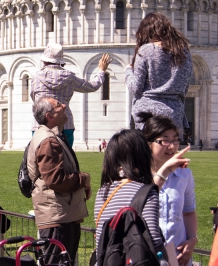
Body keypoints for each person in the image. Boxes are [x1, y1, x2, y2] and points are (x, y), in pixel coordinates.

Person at [94, 129, 190, 263]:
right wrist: (169, 261)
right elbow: (154, 240)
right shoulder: (147, 191)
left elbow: (100, 236)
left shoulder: (103, 192)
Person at [27, 96, 91, 264]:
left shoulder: (51, 136)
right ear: (50, 116)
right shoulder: (48, 141)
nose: (64, 106)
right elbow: (56, 180)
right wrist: (83, 179)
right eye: (58, 106)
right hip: (58, 217)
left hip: (60, 214)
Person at [141, 113, 197, 266]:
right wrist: (165, 170)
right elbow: (139, 205)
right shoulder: (137, 176)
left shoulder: (185, 175)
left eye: (175, 140)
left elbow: (189, 211)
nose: (172, 147)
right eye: (165, 140)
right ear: (148, 143)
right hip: (145, 255)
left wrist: (192, 239)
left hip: (178, 256)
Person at [125, 12, 193, 138]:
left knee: (146, 155)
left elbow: (136, 88)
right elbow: (185, 86)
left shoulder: (146, 50)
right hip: (174, 113)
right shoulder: (184, 52)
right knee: (168, 153)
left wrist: (128, 71)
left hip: (147, 115)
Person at [31, 43, 112, 147]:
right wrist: (101, 71)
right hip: (65, 123)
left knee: (39, 156)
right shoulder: (70, 78)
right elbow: (93, 86)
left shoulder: (36, 77)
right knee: (66, 157)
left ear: (44, 61)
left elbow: (34, 98)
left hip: (40, 124)